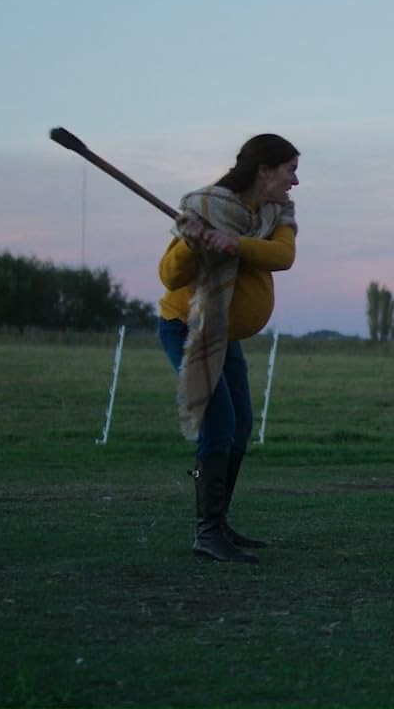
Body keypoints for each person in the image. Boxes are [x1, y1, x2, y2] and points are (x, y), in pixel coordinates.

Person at [155, 133, 301, 564]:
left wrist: (234, 244)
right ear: (264, 171)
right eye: (291, 170)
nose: (295, 181)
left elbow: (282, 256)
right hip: (190, 328)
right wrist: (192, 242)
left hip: (228, 335)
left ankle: (219, 522)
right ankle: (207, 530)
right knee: (218, 425)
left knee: (239, 427)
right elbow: (169, 275)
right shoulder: (205, 208)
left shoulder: (278, 213)